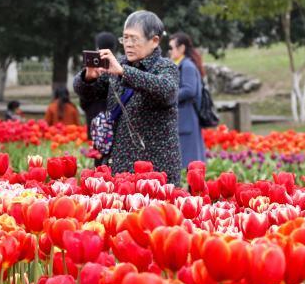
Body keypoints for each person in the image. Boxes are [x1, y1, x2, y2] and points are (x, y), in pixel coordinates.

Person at [74, 10, 181, 183]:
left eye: (134, 39)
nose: (128, 44)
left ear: (154, 41)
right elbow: (86, 92)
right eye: (125, 38)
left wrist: (124, 72)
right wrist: (89, 77)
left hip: (155, 170)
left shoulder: (166, 67)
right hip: (119, 165)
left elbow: (166, 90)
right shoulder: (117, 66)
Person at [169, 31, 206, 167]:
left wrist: (167, 93)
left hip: (187, 118)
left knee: (191, 164)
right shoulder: (182, 65)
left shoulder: (187, 66)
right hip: (185, 119)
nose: (170, 51)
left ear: (182, 48)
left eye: (172, 47)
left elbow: (190, 90)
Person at [81, 31, 118, 138]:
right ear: (114, 48)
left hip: (94, 125)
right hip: (114, 129)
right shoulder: (120, 68)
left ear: (97, 47)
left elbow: (83, 101)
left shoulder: (90, 70)